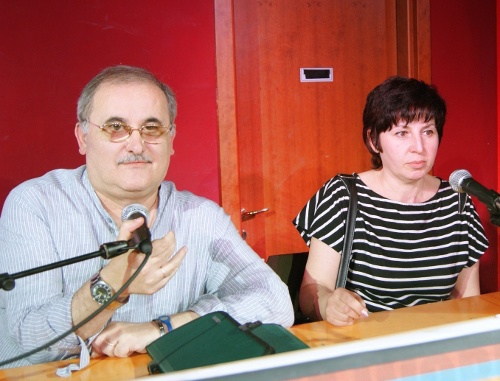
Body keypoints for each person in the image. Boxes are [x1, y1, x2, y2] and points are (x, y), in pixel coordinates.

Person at [0, 65, 294, 370]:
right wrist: (115, 287)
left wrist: (164, 328)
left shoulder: (201, 217)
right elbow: (32, 343)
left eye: (151, 128)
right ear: (83, 137)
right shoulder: (36, 204)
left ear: (171, 138)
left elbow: (274, 301)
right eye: (116, 127)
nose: (137, 145)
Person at [293, 76, 489, 327]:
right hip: (366, 343)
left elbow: (467, 301)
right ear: (374, 141)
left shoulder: (457, 202)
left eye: (428, 131)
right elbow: (311, 292)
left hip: (434, 346)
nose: (418, 147)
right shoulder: (344, 195)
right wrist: (329, 303)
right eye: (402, 133)